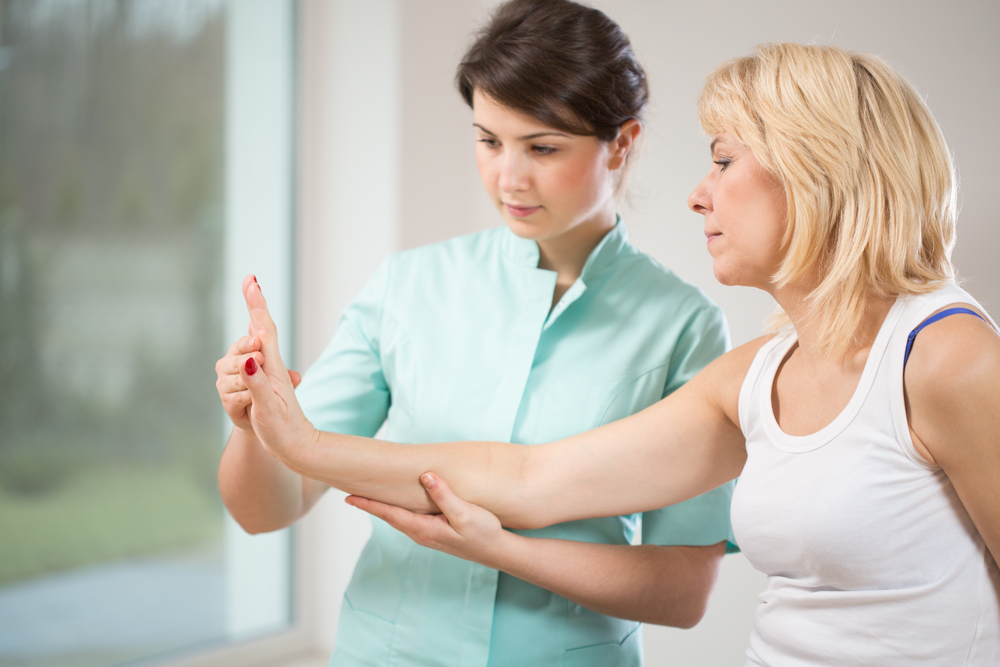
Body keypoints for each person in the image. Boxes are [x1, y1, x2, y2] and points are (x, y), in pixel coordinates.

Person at [233, 41, 1000, 665]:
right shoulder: (761, 371)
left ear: (820, 170)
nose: (699, 194)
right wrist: (294, 439)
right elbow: (526, 477)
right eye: (490, 140)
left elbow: (677, 583)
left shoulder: (947, 356)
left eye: (725, 161)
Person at [215, 1, 737, 665]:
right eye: (489, 140)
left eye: (542, 147)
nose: (508, 177)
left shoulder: (682, 326)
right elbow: (268, 507)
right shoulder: (407, 286)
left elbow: (685, 592)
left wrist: (503, 548)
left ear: (623, 143)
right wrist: (250, 422)